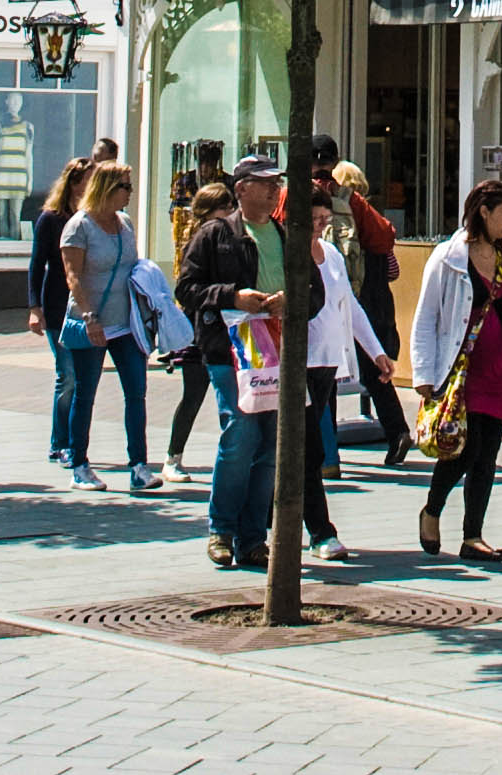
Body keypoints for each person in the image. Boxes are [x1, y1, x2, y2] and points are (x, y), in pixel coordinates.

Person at [175, 157, 291, 570]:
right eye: (263, 183)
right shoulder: (216, 234)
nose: (273, 190)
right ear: (241, 189)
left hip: (278, 351)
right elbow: (186, 288)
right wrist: (232, 296)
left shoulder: (284, 234)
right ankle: (221, 529)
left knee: (270, 444)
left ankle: (253, 537)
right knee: (241, 432)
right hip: (230, 350)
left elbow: (314, 294)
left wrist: (290, 302)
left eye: (275, 183)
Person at [408, 178, 502, 560]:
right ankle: (432, 509)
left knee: (487, 455)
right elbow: (425, 316)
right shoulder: (448, 257)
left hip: (497, 372)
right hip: (459, 370)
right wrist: (424, 374)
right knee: (462, 449)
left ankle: (472, 536)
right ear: (484, 211)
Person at [295, 185, 390, 559]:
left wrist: (377, 353)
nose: (320, 226)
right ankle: (319, 531)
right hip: (296, 364)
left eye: (325, 219)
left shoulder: (332, 254)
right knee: (307, 448)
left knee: (309, 446)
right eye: (314, 220)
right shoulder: (287, 254)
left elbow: (350, 307)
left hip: (327, 365)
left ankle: (280, 521)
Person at [55, 160, 158, 490]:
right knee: (85, 392)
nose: (129, 193)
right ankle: (80, 464)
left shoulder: (125, 223)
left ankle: (139, 465)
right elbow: (72, 278)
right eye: (125, 187)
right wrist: (89, 318)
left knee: (136, 392)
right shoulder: (78, 226)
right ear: (107, 189)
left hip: (125, 323)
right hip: (91, 322)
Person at [330, 161, 414, 466]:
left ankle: (327, 448)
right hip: (376, 303)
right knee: (375, 371)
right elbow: (393, 267)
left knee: (328, 372)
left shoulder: (338, 212)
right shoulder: (370, 217)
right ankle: (397, 430)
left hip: (345, 302)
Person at [163, 178, 234, 469]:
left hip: (210, 326)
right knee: (194, 395)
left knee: (200, 396)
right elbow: (187, 288)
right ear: (213, 209)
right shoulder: (203, 237)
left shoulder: (220, 236)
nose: (232, 210)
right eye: (227, 206)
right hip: (198, 328)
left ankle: (174, 457)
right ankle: (173, 457)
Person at [26, 156, 91, 471]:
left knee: (80, 376)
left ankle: (72, 442)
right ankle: (60, 444)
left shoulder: (96, 218)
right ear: (76, 183)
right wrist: (34, 308)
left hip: (87, 306)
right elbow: (37, 265)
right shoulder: (51, 219)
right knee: (67, 374)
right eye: (89, 180)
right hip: (56, 305)